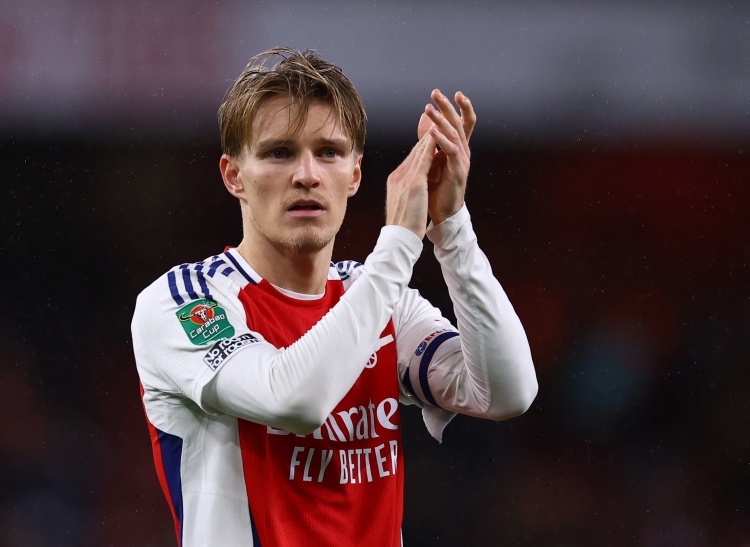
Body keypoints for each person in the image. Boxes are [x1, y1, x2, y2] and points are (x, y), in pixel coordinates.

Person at [131, 46, 537, 546]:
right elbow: (294, 401)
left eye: (328, 152)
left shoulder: (380, 296)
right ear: (234, 176)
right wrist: (398, 245)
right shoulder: (183, 302)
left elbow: (507, 393)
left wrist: (451, 228)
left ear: (355, 175)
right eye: (279, 152)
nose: (307, 174)